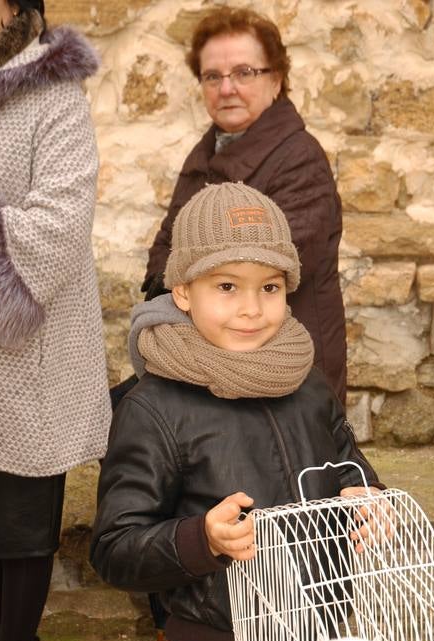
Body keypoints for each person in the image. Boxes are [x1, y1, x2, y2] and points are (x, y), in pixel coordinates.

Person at [90, 182, 382, 641]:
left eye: (271, 287)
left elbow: (346, 461)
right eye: (228, 285)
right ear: (183, 292)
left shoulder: (307, 383)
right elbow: (117, 546)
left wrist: (366, 496)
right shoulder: (153, 407)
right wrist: (201, 538)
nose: (252, 307)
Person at [0, 0, 111, 641]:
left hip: (29, 352)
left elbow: (60, 224)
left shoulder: (55, 101)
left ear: (23, 11)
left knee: (23, 515)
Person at [140, 5, 347, 404]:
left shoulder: (300, 159)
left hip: (282, 365)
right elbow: (165, 246)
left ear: (277, 80)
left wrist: (191, 283)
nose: (226, 87)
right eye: (212, 76)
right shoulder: (204, 154)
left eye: (244, 72)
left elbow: (266, 264)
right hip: (217, 358)